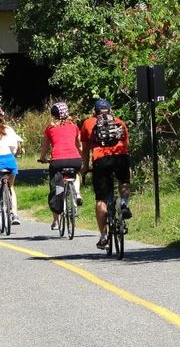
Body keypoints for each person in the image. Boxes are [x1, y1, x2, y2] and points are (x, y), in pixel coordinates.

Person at [80, 98, 131, 249]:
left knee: (101, 199)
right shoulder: (119, 122)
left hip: (101, 160)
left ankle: (103, 236)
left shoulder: (88, 123)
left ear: (94, 111)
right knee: (123, 181)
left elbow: (85, 148)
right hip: (120, 156)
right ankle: (124, 203)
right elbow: (126, 144)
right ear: (110, 110)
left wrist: (85, 167)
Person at [39, 101, 84, 230]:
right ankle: (77, 193)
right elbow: (80, 145)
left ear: (53, 114)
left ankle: (56, 221)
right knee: (75, 174)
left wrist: (42, 158)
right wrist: (81, 156)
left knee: (56, 188)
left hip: (57, 161)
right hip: (75, 160)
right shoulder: (74, 126)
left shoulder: (50, 128)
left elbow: (45, 148)